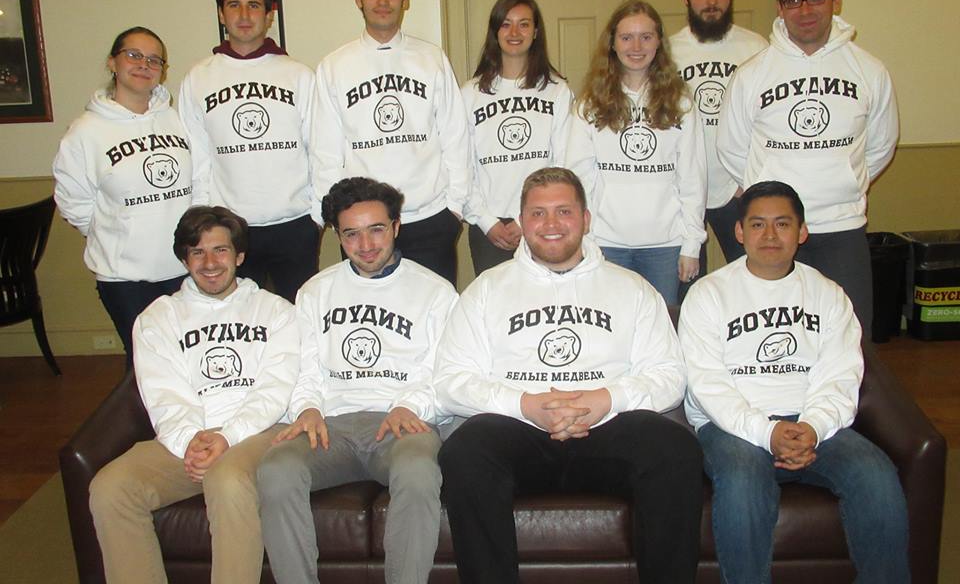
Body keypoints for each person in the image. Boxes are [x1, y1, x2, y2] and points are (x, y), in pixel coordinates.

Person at [436, 167, 702, 584]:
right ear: (522, 222)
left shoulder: (631, 288)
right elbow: (451, 380)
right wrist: (525, 405)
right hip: (519, 431)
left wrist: (604, 400)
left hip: (608, 430)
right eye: (538, 214)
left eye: (564, 211)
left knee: (673, 448)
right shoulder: (487, 289)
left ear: (586, 219)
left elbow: (669, 374)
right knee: (465, 451)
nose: (552, 224)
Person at [678, 180, 909, 583]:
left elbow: (840, 374)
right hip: (732, 428)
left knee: (876, 475)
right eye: (757, 225)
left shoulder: (827, 294)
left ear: (802, 232)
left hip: (812, 423)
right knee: (743, 481)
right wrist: (767, 433)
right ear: (739, 232)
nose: (769, 236)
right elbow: (706, 383)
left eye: (782, 224)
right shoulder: (709, 294)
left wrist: (812, 427)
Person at [258, 177, 457, 584]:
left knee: (419, 470)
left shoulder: (435, 292)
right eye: (351, 234)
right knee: (276, 470)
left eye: (376, 229)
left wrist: (410, 405)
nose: (365, 245)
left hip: (402, 422)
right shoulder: (315, 292)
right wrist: (308, 407)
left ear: (396, 226)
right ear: (337, 235)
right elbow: (304, 365)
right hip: (331, 426)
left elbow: (444, 369)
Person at [88, 206, 300, 584]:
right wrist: (191, 440)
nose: (210, 263)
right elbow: (163, 392)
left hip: (256, 434)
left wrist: (227, 437)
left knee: (227, 478)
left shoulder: (276, 312)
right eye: (197, 252)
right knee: (111, 488)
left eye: (220, 250)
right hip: (187, 441)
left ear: (239, 256)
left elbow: (275, 389)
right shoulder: (158, 318)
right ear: (185, 259)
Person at [717, 0, 899, 341]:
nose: (805, 10)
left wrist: (845, 180)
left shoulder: (869, 71)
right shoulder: (753, 74)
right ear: (780, 8)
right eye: (794, 1)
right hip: (774, 231)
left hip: (841, 225)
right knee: (773, 336)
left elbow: (881, 145)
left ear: (836, 0)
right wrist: (769, 196)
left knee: (850, 338)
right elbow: (733, 149)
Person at [312, 0, 470, 286]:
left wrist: (453, 208)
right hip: (365, 229)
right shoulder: (334, 66)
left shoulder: (432, 59)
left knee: (434, 322)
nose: (383, 0)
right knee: (371, 322)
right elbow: (325, 150)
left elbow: (456, 136)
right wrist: (339, 219)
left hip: (430, 219)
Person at [178, 0, 319, 303]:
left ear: (270, 14)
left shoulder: (299, 75)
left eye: (254, 6)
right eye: (234, 5)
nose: (244, 15)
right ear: (220, 13)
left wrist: (316, 215)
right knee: (234, 320)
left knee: (299, 317)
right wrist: (203, 221)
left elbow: (319, 149)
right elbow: (196, 158)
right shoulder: (198, 78)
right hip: (229, 228)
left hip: (294, 223)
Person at [53, 26, 191, 368]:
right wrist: (114, 233)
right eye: (134, 55)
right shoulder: (86, 131)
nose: (144, 64)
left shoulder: (175, 120)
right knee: (146, 368)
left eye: (154, 59)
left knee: (187, 361)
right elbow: (73, 201)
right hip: (126, 278)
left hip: (183, 268)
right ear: (112, 63)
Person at [566, 0, 706, 305]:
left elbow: (692, 178)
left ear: (659, 42)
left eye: (646, 36)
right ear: (612, 44)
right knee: (610, 335)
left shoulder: (680, 103)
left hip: (665, 247)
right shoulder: (588, 105)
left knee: (660, 334)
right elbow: (578, 179)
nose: (636, 46)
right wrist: (583, 240)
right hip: (605, 244)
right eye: (626, 37)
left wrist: (691, 244)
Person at [462, 0, 573, 274]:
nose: (514, 32)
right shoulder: (469, 94)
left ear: (535, 32)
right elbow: (462, 166)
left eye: (524, 24)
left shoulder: (557, 91)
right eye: (506, 24)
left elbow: (563, 162)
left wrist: (526, 221)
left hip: (543, 220)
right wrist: (486, 221)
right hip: (489, 227)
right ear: (495, 31)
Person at [669, 0, 768, 274]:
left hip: (738, 188)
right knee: (687, 281)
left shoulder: (756, 47)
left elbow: (768, 123)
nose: (711, 1)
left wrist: (749, 181)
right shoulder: (667, 51)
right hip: (682, 191)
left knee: (753, 275)